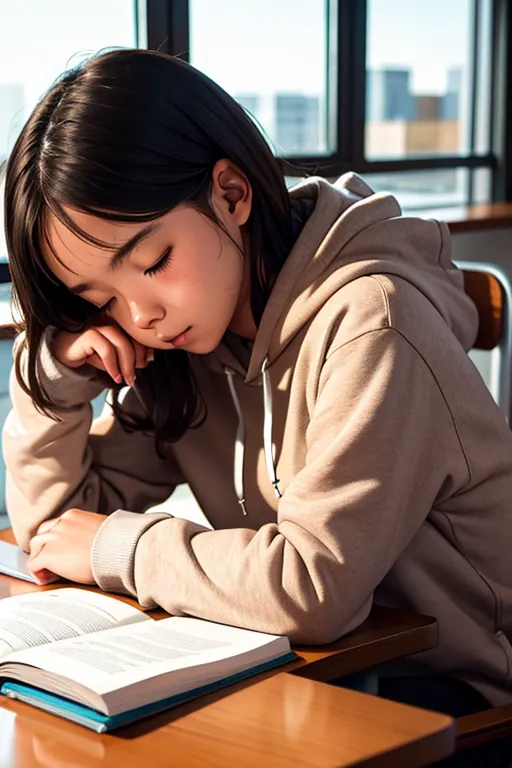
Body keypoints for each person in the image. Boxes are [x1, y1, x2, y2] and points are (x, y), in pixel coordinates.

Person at [2, 49, 512, 766]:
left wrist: (124, 547)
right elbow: (56, 530)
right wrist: (52, 384)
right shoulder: (187, 345)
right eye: (101, 300)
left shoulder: (373, 321)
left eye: (151, 262)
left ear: (232, 193)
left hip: (463, 701)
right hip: (313, 675)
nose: (140, 313)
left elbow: (312, 587)